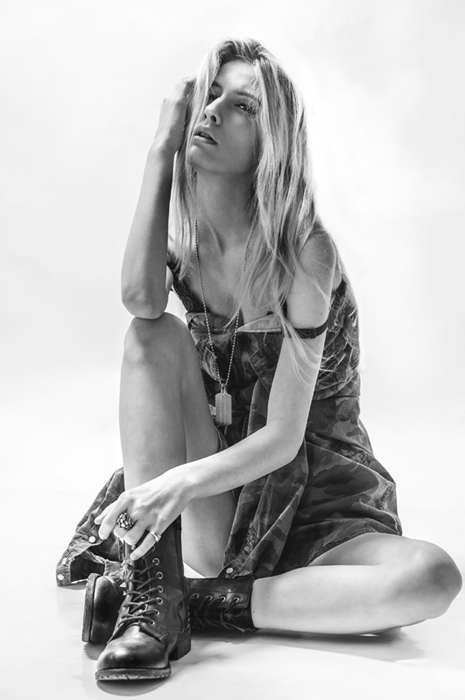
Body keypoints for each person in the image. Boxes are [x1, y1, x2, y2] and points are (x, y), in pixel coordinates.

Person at [57, 38, 462, 682]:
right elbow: (139, 301)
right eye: (210, 95)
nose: (212, 112)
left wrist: (178, 484)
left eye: (242, 105)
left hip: (323, 507)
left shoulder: (305, 251)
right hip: (223, 505)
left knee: (431, 576)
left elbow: (283, 437)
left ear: (272, 143)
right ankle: (157, 601)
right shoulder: (184, 244)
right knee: (151, 334)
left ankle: (179, 603)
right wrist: (160, 148)